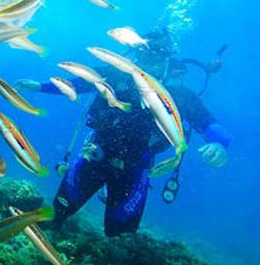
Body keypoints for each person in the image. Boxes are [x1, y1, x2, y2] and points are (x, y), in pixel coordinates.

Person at [15, 29, 231, 236]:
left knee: (120, 233)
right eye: (145, 54)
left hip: (135, 169)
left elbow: (209, 124)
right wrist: (40, 86)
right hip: (95, 156)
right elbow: (76, 83)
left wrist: (220, 145)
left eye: (156, 57)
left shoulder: (179, 95)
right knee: (57, 213)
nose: (149, 63)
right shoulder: (113, 74)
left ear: (167, 60)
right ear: (136, 52)